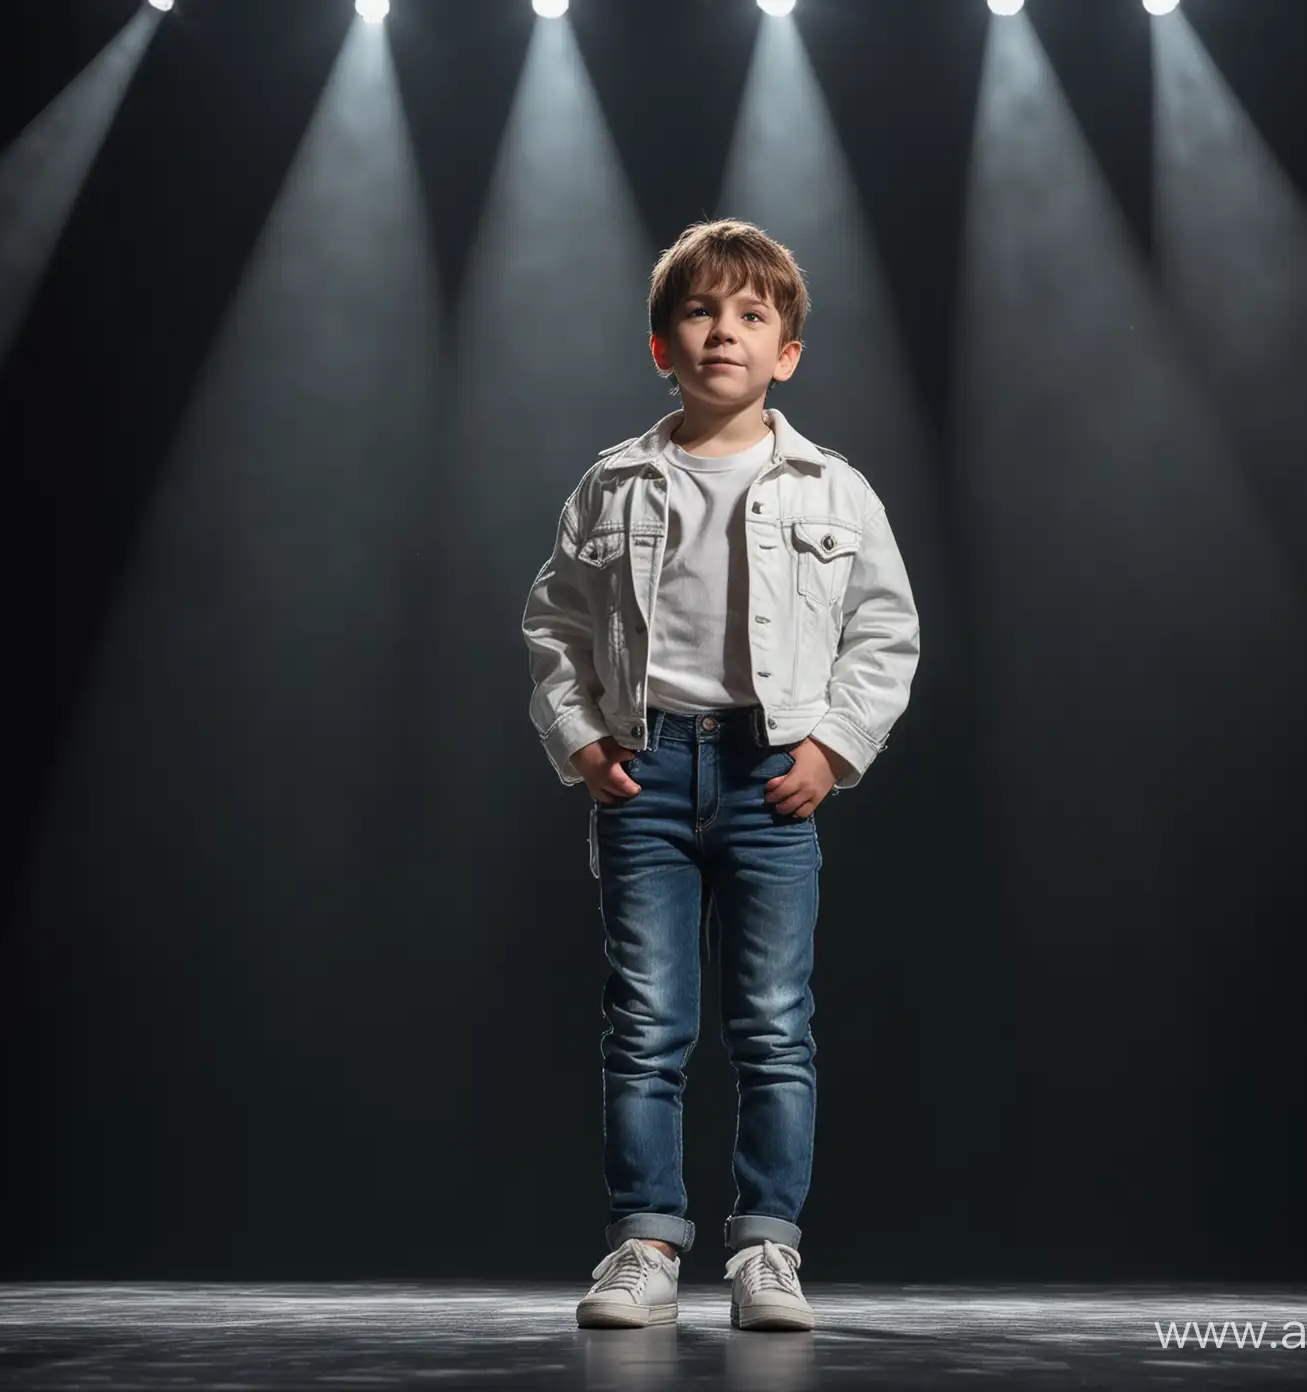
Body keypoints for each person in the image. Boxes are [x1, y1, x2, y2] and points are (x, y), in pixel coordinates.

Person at [520, 219, 920, 1331]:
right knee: (646, 1022)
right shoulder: (613, 485)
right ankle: (645, 1246)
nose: (723, 332)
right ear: (662, 344)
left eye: (752, 315)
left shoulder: (831, 490)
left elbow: (885, 633)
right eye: (700, 311)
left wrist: (832, 747)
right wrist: (581, 737)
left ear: (787, 352)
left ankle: (766, 1252)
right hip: (648, 775)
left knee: (773, 1024)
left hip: (768, 775)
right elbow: (551, 625)